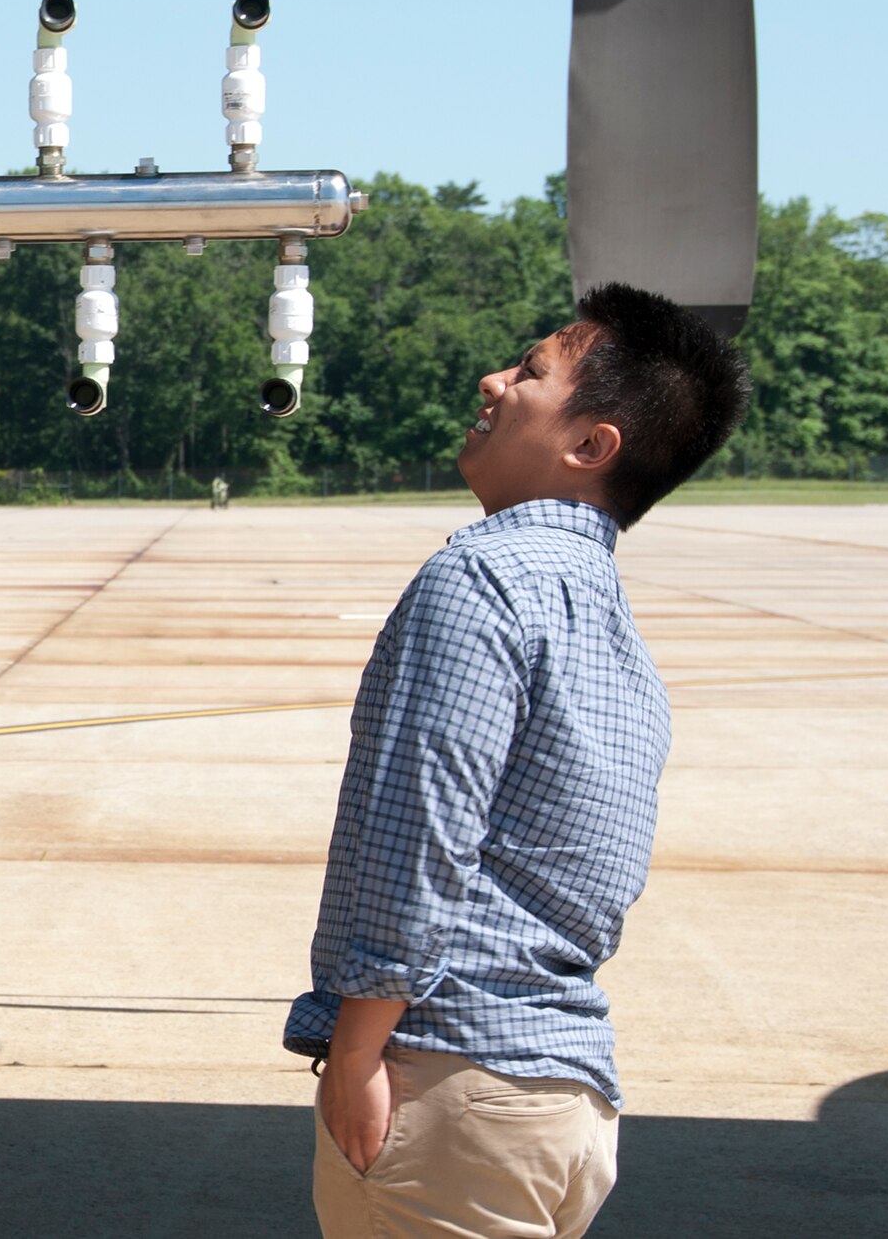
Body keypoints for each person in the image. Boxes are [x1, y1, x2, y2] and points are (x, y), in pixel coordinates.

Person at [283, 283, 751, 1237]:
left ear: (591, 445)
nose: (494, 380)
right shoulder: (610, 622)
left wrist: (362, 1052)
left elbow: (417, 830)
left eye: (531, 372)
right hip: (564, 1101)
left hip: (449, 1083)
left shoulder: (482, 576)